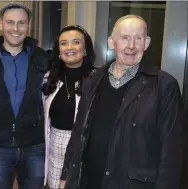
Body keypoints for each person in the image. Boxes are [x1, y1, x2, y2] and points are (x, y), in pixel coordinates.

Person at [62, 15, 183, 189]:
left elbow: (172, 151)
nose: (132, 46)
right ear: (112, 42)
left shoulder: (164, 86)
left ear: (147, 43)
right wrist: (67, 175)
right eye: (125, 38)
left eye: (138, 38)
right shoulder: (93, 80)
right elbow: (78, 133)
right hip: (89, 182)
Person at [0, 2, 48, 189]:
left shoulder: (43, 58)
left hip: (34, 146)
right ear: (1, 25)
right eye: (10, 22)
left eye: (21, 23)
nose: (16, 28)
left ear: (28, 26)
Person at [42, 25, 96, 189]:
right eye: (63, 43)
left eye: (76, 42)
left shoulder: (97, 80)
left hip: (84, 150)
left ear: (85, 48)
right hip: (54, 148)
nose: (70, 48)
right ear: (58, 50)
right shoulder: (49, 79)